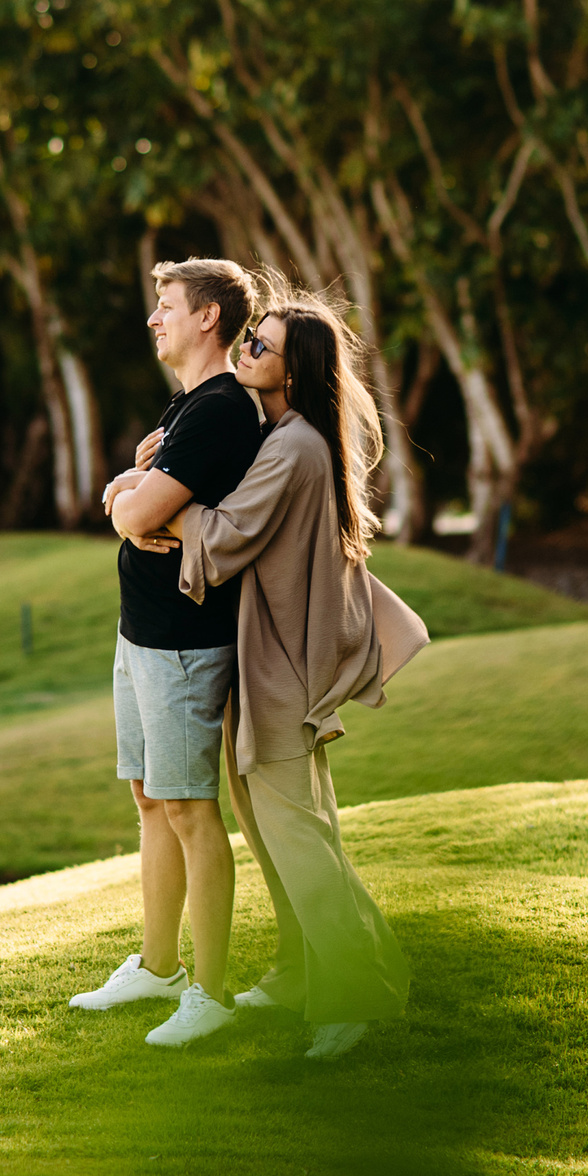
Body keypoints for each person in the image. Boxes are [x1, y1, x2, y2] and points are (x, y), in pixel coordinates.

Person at [169, 281, 419, 1060]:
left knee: (298, 840)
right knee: (280, 830)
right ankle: (299, 969)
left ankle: (353, 996)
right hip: (273, 662)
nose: (245, 349)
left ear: (294, 369)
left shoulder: (293, 446)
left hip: (282, 669)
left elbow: (223, 535)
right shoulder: (289, 437)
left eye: (259, 345)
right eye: (248, 338)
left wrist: (154, 495)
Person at [70, 257, 263, 1049]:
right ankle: (157, 966)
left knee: (189, 807)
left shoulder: (220, 408)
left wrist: (131, 499)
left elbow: (133, 512)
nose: (154, 318)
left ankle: (211, 990)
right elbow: (128, 500)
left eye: (167, 305)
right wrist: (131, 490)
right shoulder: (188, 405)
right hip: (141, 632)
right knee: (152, 798)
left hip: (185, 641)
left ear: (209, 316)